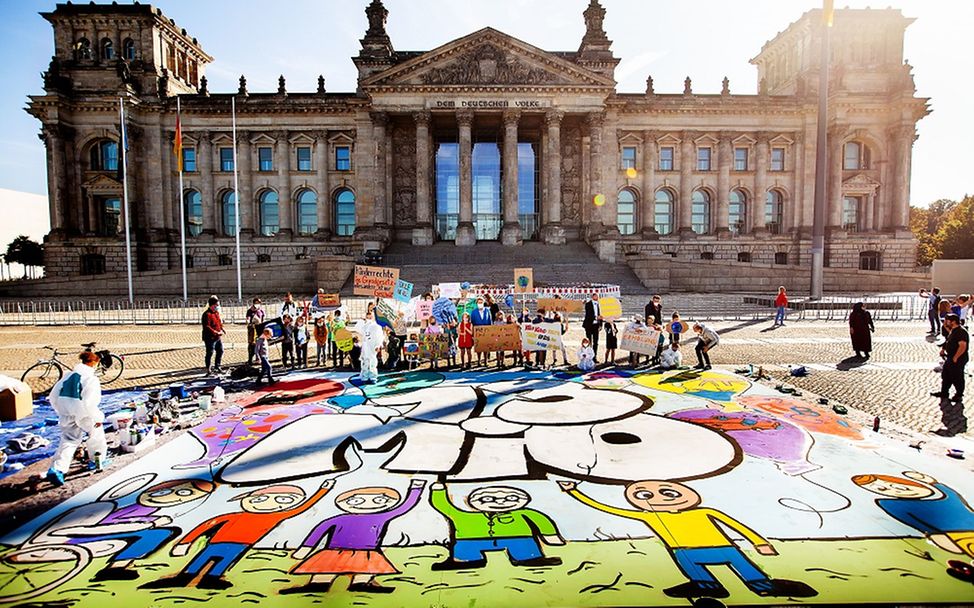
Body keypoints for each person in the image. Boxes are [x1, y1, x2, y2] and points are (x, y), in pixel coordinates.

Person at [559, 480, 816, 600]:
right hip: (685, 551)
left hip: (724, 547)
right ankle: (707, 586)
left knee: (744, 567)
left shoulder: (705, 512)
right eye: (645, 494)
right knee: (696, 571)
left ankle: (764, 586)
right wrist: (574, 492)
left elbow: (735, 526)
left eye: (668, 492)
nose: (658, 497)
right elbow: (609, 509)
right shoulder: (651, 517)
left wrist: (759, 542)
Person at [143, 481, 334, 591]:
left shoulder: (276, 516)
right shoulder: (234, 515)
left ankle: (212, 579)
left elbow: (303, 507)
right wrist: (185, 542)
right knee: (202, 559)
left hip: (240, 545)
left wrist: (323, 490)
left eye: (282, 500)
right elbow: (207, 525)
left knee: (222, 563)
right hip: (217, 541)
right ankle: (185, 577)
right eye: (259, 499)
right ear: (246, 500)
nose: (268, 504)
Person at [285, 480, 427, 595]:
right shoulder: (339, 519)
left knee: (365, 569)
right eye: (356, 501)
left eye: (379, 500)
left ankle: (361, 584)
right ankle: (317, 585)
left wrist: (416, 488)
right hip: (335, 551)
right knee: (326, 569)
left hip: (366, 552)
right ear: (342, 503)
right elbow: (319, 531)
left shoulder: (381, 516)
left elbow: (404, 507)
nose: (368, 504)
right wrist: (306, 548)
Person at [852, 470, 974, 575]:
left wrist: (930, 482)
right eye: (882, 489)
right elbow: (916, 523)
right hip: (957, 536)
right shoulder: (892, 504)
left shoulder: (946, 496)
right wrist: (936, 536)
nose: (898, 490)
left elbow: (945, 491)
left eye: (902, 486)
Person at [429, 482, 564, 570]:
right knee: (465, 550)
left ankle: (529, 558)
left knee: (525, 548)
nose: (500, 502)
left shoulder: (523, 513)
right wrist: (438, 490)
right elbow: (444, 507)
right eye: (488, 499)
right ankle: (467, 560)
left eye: (510, 498)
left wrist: (551, 537)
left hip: (518, 538)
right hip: (471, 540)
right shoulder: (465, 517)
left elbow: (542, 521)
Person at [46, 351, 108, 486]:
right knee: (96, 436)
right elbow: (89, 403)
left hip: (66, 414)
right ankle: (97, 460)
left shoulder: (68, 376)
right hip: (84, 414)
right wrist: (98, 417)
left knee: (69, 441)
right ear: (94, 363)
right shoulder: (91, 379)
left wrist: (61, 410)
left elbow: (52, 396)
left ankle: (57, 469)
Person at [932, 313, 968, 403]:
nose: (945, 322)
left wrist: (956, 357)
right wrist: (944, 349)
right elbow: (949, 340)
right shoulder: (953, 330)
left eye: (947, 320)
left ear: (953, 322)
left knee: (957, 377)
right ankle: (944, 392)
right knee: (946, 375)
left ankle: (959, 395)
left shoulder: (961, 332)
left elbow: (962, 346)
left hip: (958, 358)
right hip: (950, 357)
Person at [359, 311, 385, 384]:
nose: (369, 318)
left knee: (372, 362)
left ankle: (373, 377)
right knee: (365, 362)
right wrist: (361, 321)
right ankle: (364, 377)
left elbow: (380, 336)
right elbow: (359, 330)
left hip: (372, 346)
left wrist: (378, 345)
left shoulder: (377, 326)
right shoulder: (364, 326)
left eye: (370, 316)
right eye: (367, 316)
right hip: (365, 346)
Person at [201, 295, 224, 375]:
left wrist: (221, 328)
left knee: (220, 351)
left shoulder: (216, 313)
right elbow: (207, 326)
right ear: (211, 305)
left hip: (217, 337)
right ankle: (208, 369)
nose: (217, 307)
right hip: (210, 338)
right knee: (210, 353)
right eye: (216, 305)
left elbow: (219, 322)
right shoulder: (206, 314)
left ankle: (217, 366)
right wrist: (215, 332)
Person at [470, 296, 494, 366]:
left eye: (481, 302)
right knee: (479, 347)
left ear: (483, 303)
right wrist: (473, 333)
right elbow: (472, 322)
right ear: (477, 303)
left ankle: (486, 360)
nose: (480, 303)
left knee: (486, 347)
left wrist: (491, 331)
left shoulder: (487, 310)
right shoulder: (474, 312)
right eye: (478, 302)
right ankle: (479, 360)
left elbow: (490, 321)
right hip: (478, 332)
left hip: (486, 331)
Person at [582, 292, 603, 356]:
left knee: (596, 342)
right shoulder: (588, 304)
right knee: (588, 341)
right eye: (595, 296)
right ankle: (588, 355)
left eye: (597, 296)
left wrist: (601, 324)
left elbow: (601, 314)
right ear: (592, 297)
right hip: (589, 325)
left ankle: (594, 356)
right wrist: (596, 317)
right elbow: (588, 315)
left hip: (596, 325)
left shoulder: (600, 304)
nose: (597, 297)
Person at [245, 297, 264, 365]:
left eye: (259, 303)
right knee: (252, 345)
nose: (257, 304)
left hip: (259, 329)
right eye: (256, 303)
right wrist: (248, 322)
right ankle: (250, 359)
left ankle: (258, 358)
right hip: (252, 330)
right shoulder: (250, 311)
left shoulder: (261, 310)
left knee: (259, 344)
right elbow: (248, 318)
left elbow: (262, 319)